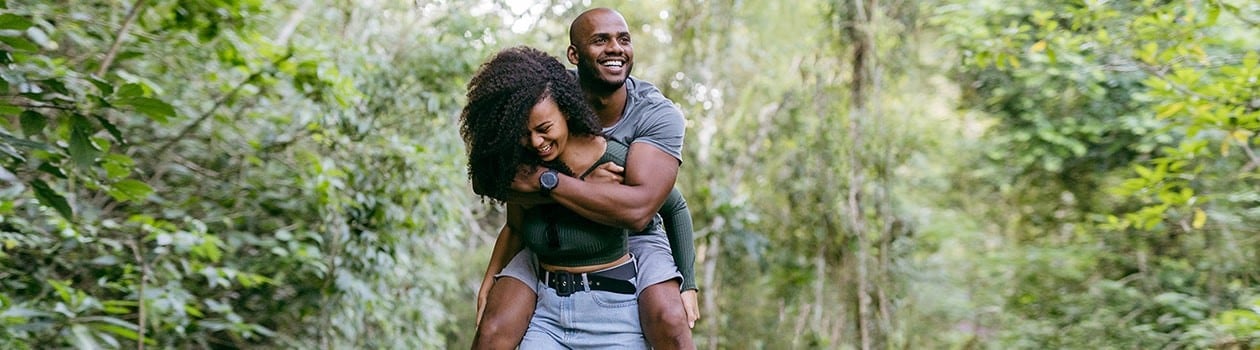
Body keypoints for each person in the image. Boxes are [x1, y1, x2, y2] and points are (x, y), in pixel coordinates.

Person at [473, 7, 698, 349]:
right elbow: (508, 192)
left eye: (623, 39)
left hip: (635, 225)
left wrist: (689, 285)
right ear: (574, 55)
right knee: (492, 330)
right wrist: (492, 276)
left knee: (670, 319)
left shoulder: (655, 113)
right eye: (600, 40)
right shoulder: (543, 99)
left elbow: (656, 206)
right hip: (550, 230)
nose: (615, 49)